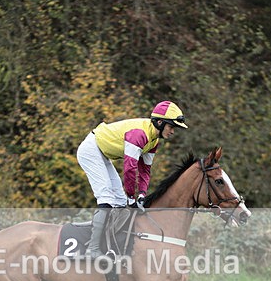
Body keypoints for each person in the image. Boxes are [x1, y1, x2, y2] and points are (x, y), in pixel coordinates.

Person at [76, 100, 188, 257]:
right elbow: (130, 169)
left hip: (102, 153)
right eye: (171, 126)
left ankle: (108, 243)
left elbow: (145, 170)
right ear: (160, 122)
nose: (173, 131)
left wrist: (141, 194)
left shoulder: (153, 141)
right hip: (91, 150)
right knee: (107, 197)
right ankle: (92, 249)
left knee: (120, 202)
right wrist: (131, 197)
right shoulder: (139, 135)